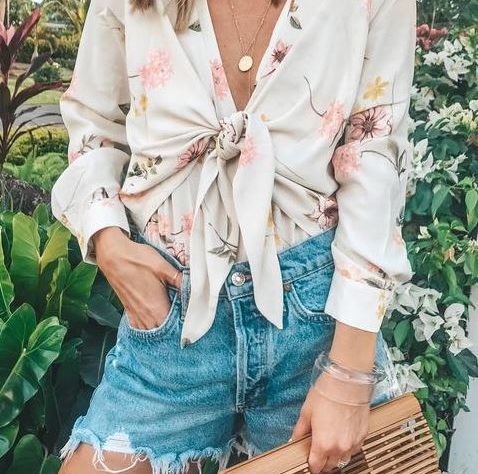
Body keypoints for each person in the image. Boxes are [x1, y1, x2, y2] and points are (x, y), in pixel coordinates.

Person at [51, 0, 417, 472]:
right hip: (170, 314)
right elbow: (93, 120)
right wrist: (108, 241)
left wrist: (349, 370)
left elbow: (376, 153)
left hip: (316, 326)